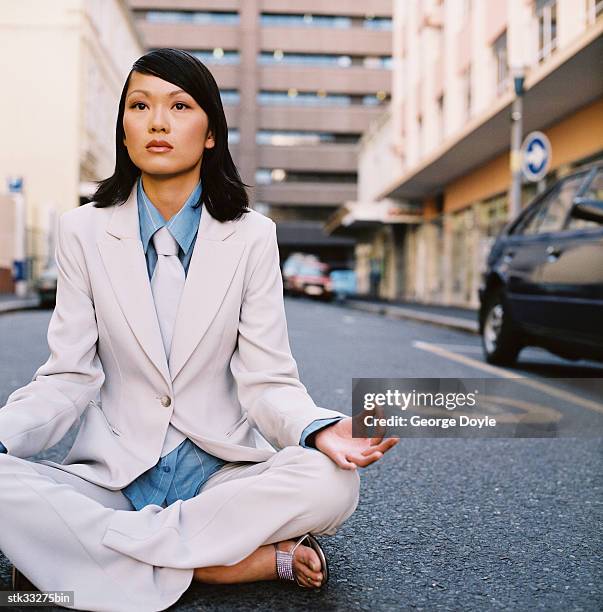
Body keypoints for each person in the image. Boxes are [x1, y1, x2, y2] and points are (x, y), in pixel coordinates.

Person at [0, 48, 398, 612]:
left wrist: (317, 429)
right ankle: (214, 564)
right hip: (113, 480)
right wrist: (3, 431)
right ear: (124, 126)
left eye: (180, 106)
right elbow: (67, 377)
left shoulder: (253, 237)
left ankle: (89, 555)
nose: (158, 122)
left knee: (333, 482)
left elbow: (267, 379)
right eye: (140, 105)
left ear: (211, 131)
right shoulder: (82, 231)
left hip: (221, 477)